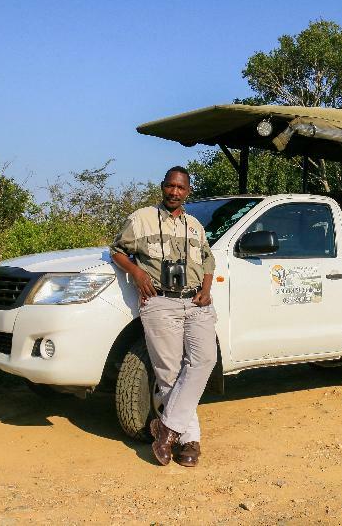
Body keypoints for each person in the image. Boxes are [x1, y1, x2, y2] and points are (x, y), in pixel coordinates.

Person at [109, 166, 216, 467]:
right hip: (159, 300)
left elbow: (208, 259)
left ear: (188, 191)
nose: (174, 192)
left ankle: (166, 428)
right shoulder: (141, 218)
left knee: (205, 359)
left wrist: (206, 290)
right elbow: (117, 250)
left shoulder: (195, 225)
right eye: (170, 186)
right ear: (162, 187)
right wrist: (137, 272)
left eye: (181, 188)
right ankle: (190, 440)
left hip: (195, 301)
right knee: (169, 371)